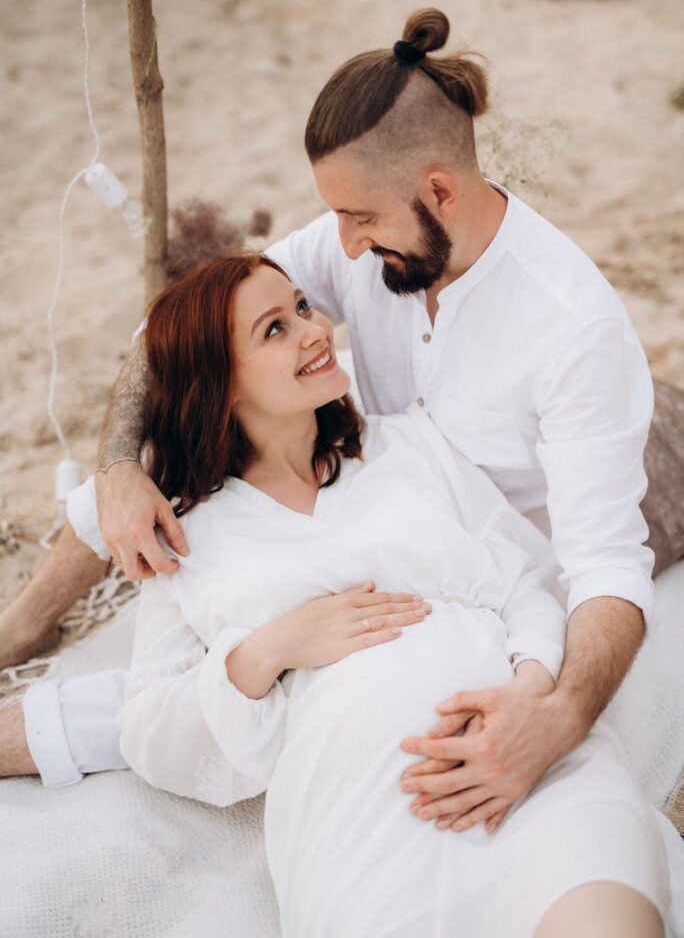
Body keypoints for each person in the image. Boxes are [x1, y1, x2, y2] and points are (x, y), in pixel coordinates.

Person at [0, 8, 656, 835]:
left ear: (439, 191)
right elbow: (184, 328)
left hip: (458, 561)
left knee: (207, 691)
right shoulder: (385, 236)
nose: (341, 248)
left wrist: (560, 717)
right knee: (172, 445)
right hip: (349, 488)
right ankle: (25, 621)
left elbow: (607, 568)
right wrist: (119, 462)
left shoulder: (571, 328)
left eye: (360, 220)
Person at [119, 250, 675, 938]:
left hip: (524, 761)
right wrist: (272, 647)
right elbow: (147, 729)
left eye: (303, 307)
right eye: (275, 329)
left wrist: (530, 691)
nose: (314, 329)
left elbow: (530, 584)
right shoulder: (185, 535)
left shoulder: (411, 446)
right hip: (364, 812)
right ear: (221, 383)